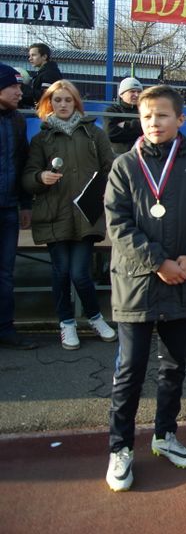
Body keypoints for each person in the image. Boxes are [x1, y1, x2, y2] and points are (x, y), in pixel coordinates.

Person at [103, 85, 186, 492]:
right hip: (137, 283)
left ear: (180, 119)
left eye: (163, 115)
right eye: (147, 116)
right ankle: (120, 448)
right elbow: (118, 225)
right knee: (130, 370)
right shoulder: (124, 165)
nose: (154, 122)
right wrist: (158, 262)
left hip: (185, 280)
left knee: (173, 366)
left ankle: (165, 435)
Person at [22, 79, 117, 350]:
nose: (62, 105)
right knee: (60, 273)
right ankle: (66, 323)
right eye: (57, 100)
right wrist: (41, 177)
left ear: (76, 103)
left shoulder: (93, 134)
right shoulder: (42, 138)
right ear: (48, 103)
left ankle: (95, 318)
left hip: (85, 214)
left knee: (80, 273)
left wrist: (99, 193)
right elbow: (27, 178)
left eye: (68, 100)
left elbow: (111, 168)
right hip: (54, 214)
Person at [0, 63, 36, 350]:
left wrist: (25, 204)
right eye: (14, 86)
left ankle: (5, 328)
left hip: (9, 208)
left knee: (6, 272)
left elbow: (22, 162)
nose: (19, 91)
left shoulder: (17, 120)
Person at [104, 77, 144, 155]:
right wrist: (140, 130)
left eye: (139, 92)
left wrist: (126, 125)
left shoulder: (145, 110)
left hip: (143, 156)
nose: (136, 95)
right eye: (132, 91)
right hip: (120, 155)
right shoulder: (112, 110)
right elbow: (111, 134)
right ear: (121, 94)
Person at [25, 43, 62, 108]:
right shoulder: (43, 72)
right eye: (29, 56)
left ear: (44, 57)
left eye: (33, 55)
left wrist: (23, 88)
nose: (30, 58)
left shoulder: (50, 73)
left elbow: (46, 95)